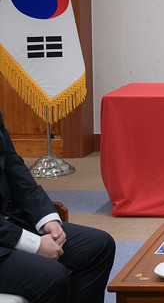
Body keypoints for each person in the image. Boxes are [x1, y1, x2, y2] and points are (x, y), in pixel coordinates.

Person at [0, 110, 115, 302]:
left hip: (8, 221)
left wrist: (48, 218)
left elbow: (14, 168)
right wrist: (34, 244)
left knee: (99, 246)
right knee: (53, 276)